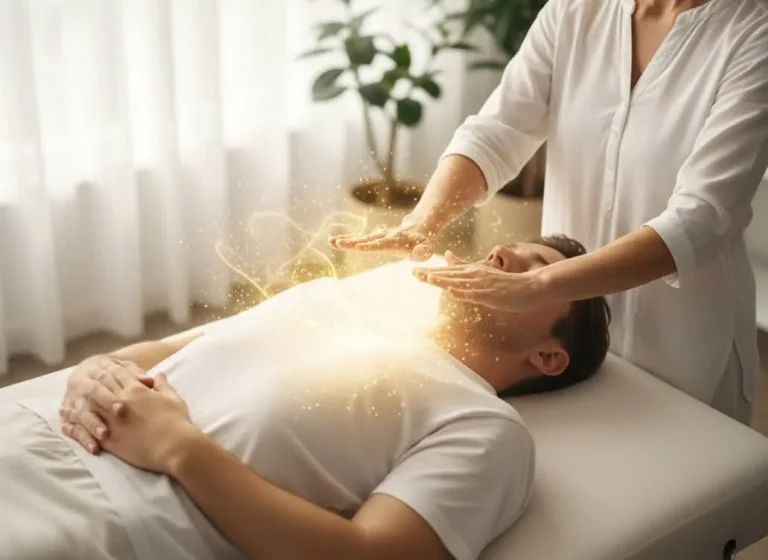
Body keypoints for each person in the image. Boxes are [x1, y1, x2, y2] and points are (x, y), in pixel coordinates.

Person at [1, 236, 610, 560]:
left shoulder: (484, 428)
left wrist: (178, 448)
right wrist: (92, 368)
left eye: (535, 272)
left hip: (98, 522)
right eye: (511, 248)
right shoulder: (338, 304)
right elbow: (165, 349)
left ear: (548, 356)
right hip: (31, 429)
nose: (501, 252)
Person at [330, 0, 768, 424]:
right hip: (561, 337)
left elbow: (701, 218)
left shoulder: (754, 34)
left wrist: (538, 285)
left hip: (680, 342)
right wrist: (423, 221)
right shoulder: (574, 11)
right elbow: (497, 132)